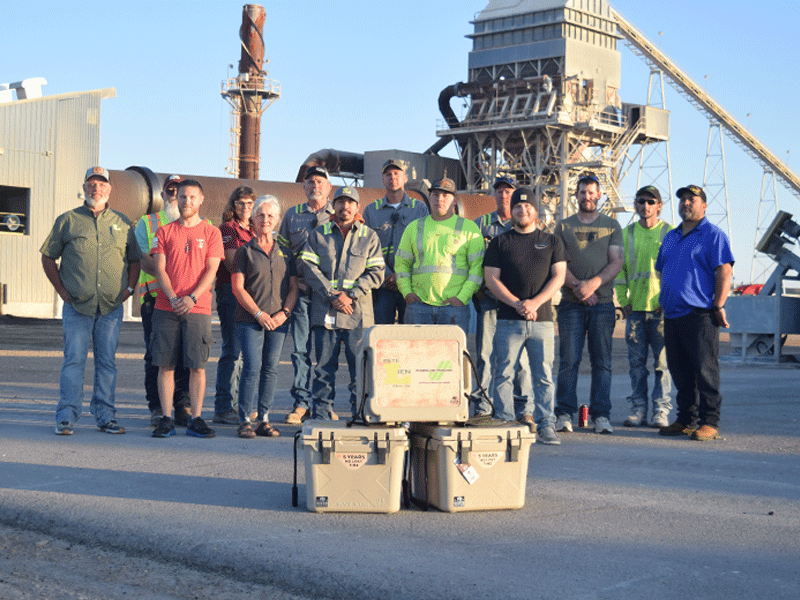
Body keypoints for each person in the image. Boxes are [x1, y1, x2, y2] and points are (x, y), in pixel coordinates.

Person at [40, 166, 140, 435]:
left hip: (110, 307)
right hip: (77, 306)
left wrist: (129, 289)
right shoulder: (68, 220)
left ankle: (105, 415)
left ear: (110, 189)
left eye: (102, 184)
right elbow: (48, 257)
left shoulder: (122, 222)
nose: (97, 189)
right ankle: (66, 416)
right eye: (91, 184)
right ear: (84, 188)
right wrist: (61, 291)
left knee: (107, 362)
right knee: (73, 361)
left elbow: (134, 260)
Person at [484, 187, 566, 445]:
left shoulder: (552, 241)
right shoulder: (500, 242)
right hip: (509, 320)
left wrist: (535, 303)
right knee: (504, 373)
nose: (523, 210)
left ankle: (545, 425)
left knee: (542, 376)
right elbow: (491, 279)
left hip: (541, 321)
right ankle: (505, 421)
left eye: (528, 206)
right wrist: (517, 303)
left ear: (536, 210)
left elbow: (559, 276)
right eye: (518, 207)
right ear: (512, 212)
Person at [656, 184, 734, 442]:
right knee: (679, 371)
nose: (686, 203)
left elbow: (724, 270)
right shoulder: (670, 236)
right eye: (682, 199)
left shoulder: (713, 234)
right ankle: (685, 420)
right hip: (672, 314)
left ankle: (709, 422)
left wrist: (718, 304)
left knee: (705, 370)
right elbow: (663, 269)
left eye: (692, 199)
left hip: (699, 313)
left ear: (704, 205)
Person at [300, 186, 384, 420]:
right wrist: (333, 295)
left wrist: (351, 294)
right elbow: (308, 266)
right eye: (340, 202)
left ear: (357, 207)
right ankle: (322, 414)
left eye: (350, 202)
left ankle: (360, 414)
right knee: (323, 369)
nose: (345, 206)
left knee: (360, 370)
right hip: (326, 313)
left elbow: (377, 271)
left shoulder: (369, 236)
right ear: (333, 205)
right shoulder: (319, 234)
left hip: (357, 315)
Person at [150, 180, 224, 439]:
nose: (187, 201)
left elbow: (211, 269)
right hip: (165, 307)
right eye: (182, 197)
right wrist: (172, 298)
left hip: (199, 307)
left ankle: (196, 418)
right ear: (176, 199)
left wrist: (192, 297)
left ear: (201, 199)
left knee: (197, 366)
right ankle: (167, 418)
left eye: (192, 197)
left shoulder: (211, 233)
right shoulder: (164, 231)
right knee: (165, 365)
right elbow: (159, 268)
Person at [553, 173, 624, 434]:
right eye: (582, 192)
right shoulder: (563, 227)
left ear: (599, 195)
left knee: (602, 362)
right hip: (570, 304)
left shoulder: (612, 226)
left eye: (591, 192)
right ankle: (564, 414)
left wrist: (593, 284)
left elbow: (616, 261)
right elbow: (558, 264)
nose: (587, 197)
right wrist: (578, 288)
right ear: (576, 195)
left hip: (603, 304)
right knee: (568, 361)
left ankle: (601, 416)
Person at [231, 196, 299, 438]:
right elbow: (238, 288)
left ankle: (264, 418)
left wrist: (284, 314)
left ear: (277, 220)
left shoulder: (285, 252)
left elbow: (293, 288)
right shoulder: (244, 252)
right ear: (253, 219)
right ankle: (244, 420)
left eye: (270, 216)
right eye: (261, 215)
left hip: (279, 321)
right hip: (250, 319)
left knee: (270, 369)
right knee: (252, 367)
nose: (265, 220)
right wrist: (258, 314)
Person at [277, 166, 335, 424]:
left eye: (320, 182)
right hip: (301, 293)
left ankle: (323, 404)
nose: (315, 186)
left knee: (325, 352)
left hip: (326, 295)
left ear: (328, 187)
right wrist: (293, 282)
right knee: (300, 351)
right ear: (304, 187)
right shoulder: (292, 216)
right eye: (310, 182)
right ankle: (301, 404)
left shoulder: (340, 214)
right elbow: (282, 253)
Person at [471, 175, 532, 417]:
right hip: (489, 301)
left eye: (508, 191)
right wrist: (478, 291)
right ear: (494, 195)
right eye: (499, 191)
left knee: (521, 359)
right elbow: (472, 260)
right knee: (485, 356)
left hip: (517, 304)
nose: (503, 195)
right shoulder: (480, 224)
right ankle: (483, 407)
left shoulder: (525, 222)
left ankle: (524, 408)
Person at [614, 185, 673, 428]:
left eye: (651, 201)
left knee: (662, 365)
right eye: (641, 201)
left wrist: (666, 300)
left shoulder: (669, 233)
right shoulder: (627, 234)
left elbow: (674, 271)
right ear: (636, 205)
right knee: (637, 366)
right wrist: (624, 301)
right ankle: (638, 408)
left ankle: (661, 410)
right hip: (635, 311)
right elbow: (620, 271)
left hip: (661, 311)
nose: (645, 206)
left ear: (659, 205)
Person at [135, 175, 192, 427]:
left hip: (187, 302)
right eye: (170, 190)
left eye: (179, 191)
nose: (175, 195)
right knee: (157, 356)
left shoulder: (199, 225)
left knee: (185, 355)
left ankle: (182, 406)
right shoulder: (147, 223)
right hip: (155, 299)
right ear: (164, 195)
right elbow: (145, 259)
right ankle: (157, 407)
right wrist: (173, 286)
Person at [395, 177, 484, 334]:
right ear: (429, 197)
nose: (440, 199)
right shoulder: (414, 227)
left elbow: (477, 269)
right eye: (435, 194)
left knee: (450, 357)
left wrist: (462, 298)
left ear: (455, 200)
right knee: (418, 354)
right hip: (418, 306)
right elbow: (402, 264)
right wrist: (407, 292)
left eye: (445, 195)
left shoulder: (469, 229)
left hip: (454, 308)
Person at [362, 158, 428, 324]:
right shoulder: (371, 211)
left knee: (411, 336)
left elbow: (425, 247)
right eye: (388, 174)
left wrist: (402, 275)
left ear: (405, 178)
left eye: (397, 173)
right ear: (383, 180)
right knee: (382, 336)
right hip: (383, 286)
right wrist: (387, 275)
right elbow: (365, 250)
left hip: (412, 285)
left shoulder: (419, 209)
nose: (393, 177)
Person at [213, 186, 256, 425]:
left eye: (250, 203)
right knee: (233, 349)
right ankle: (223, 406)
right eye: (241, 203)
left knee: (246, 352)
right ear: (233, 205)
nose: (246, 208)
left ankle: (242, 405)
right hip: (231, 292)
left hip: (251, 293)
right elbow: (231, 263)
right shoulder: (228, 229)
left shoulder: (256, 230)